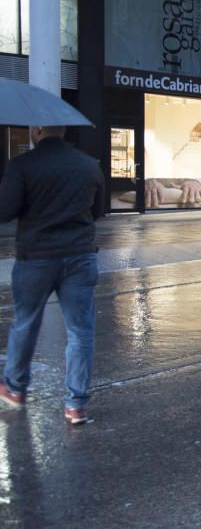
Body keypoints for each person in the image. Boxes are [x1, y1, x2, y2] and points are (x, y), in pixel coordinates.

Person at [0, 126, 104, 425]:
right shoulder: (89, 164)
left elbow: (5, 211)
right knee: (80, 331)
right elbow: (97, 211)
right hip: (81, 256)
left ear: (38, 130)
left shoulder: (22, 165)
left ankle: (15, 388)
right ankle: (76, 405)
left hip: (36, 256)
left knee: (26, 322)